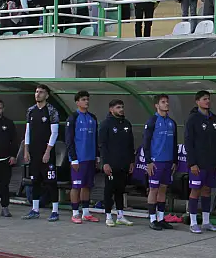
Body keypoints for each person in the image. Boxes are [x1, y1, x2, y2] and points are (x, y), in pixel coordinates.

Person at [184, 91, 216, 234]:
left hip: (211, 162)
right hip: (198, 163)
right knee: (195, 190)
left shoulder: (215, 119)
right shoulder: (192, 119)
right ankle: (193, 222)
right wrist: (192, 163)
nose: (207, 101)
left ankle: (206, 222)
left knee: (207, 190)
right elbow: (188, 142)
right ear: (197, 101)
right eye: (204, 99)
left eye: (208, 99)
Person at [22, 84, 61, 221]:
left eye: (41, 92)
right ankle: (35, 209)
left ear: (47, 95)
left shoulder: (51, 111)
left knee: (51, 181)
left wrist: (48, 151)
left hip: (46, 153)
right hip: (34, 152)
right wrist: (26, 150)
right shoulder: (30, 110)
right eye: (37, 92)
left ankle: (55, 211)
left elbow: (54, 133)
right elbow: (27, 132)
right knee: (35, 181)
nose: (38, 94)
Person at [64, 91, 99, 224]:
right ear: (77, 102)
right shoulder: (73, 118)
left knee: (87, 186)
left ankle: (86, 212)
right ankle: (75, 213)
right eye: (83, 99)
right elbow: (69, 140)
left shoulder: (93, 118)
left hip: (90, 158)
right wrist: (73, 158)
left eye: (87, 99)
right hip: (79, 158)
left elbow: (95, 138)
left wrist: (97, 156)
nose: (86, 102)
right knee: (76, 186)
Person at [143, 94, 178, 231]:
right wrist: (148, 161)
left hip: (168, 162)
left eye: (167, 102)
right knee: (154, 189)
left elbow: (174, 143)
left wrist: (174, 160)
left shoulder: (172, 122)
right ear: (157, 105)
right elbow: (146, 142)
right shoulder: (152, 121)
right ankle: (152, 219)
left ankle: (161, 218)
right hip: (156, 162)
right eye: (163, 102)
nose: (166, 104)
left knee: (163, 188)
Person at [98, 98, 135, 227]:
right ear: (111, 109)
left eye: (122, 107)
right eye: (118, 107)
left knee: (120, 189)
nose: (121, 109)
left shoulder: (127, 123)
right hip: (111, 163)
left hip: (124, 163)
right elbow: (102, 145)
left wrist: (131, 161)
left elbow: (130, 144)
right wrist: (105, 163)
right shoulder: (106, 124)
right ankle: (108, 215)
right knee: (109, 189)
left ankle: (120, 215)